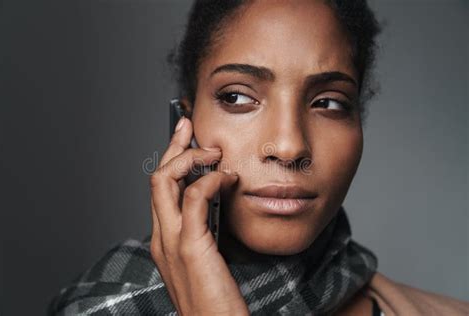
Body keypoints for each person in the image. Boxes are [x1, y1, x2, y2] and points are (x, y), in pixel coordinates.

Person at [48, 0, 469, 315]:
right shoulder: (103, 305)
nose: (288, 148)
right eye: (237, 97)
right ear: (186, 121)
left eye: (329, 103)